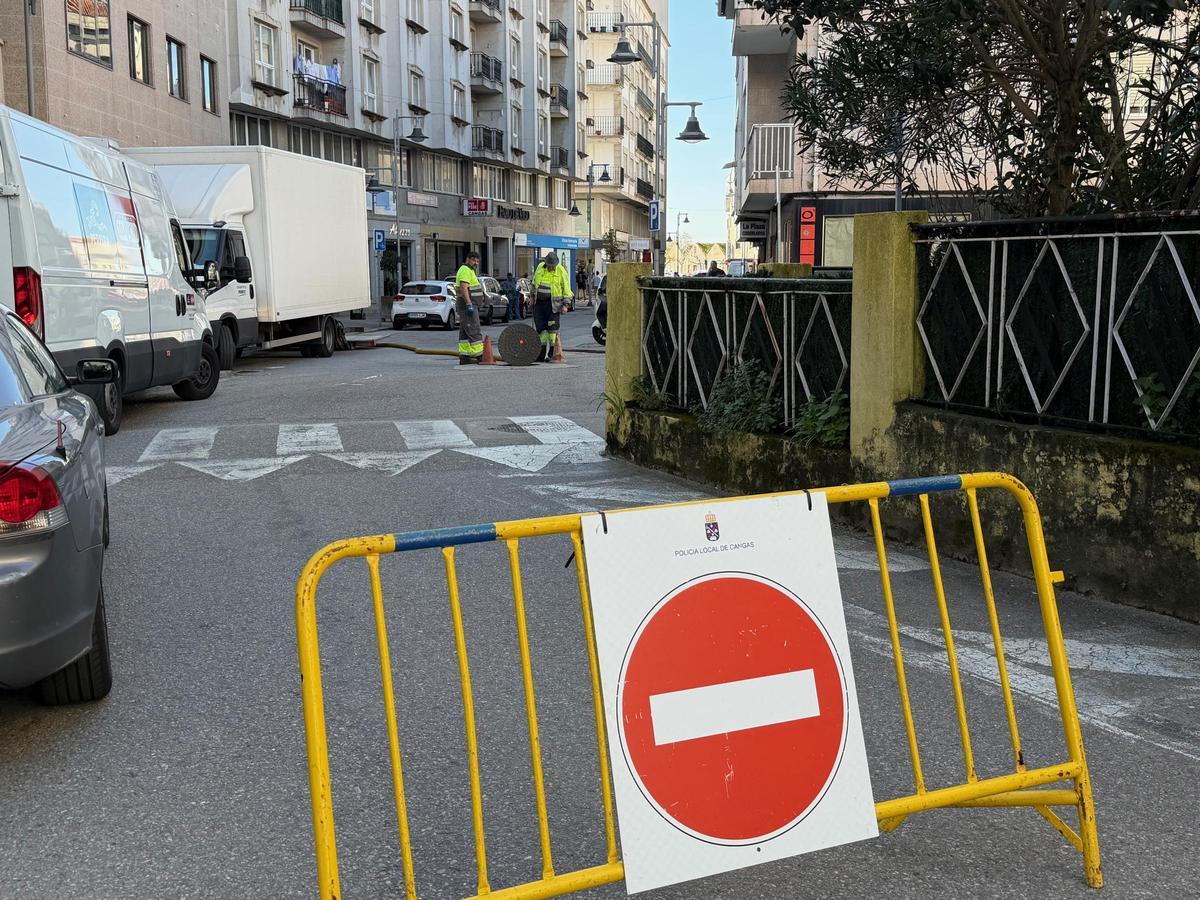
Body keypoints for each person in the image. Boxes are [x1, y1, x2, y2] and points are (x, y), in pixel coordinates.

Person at [531, 251, 573, 362]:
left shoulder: (561, 270)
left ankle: (552, 353)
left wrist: (566, 305)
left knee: (552, 330)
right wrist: (531, 297)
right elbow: (534, 283)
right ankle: (541, 353)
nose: (551, 268)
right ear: (546, 264)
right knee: (541, 329)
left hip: (553, 305)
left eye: (552, 266)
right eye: (549, 266)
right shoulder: (540, 267)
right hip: (539, 304)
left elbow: (567, 289)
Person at [454, 251, 485, 364]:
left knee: (464, 331)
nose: (475, 263)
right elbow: (463, 288)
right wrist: (469, 304)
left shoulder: (469, 270)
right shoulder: (465, 270)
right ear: (468, 259)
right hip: (468, 305)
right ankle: (480, 355)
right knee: (473, 328)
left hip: (468, 304)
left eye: (477, 261)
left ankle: (465, 355)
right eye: (473, 260)